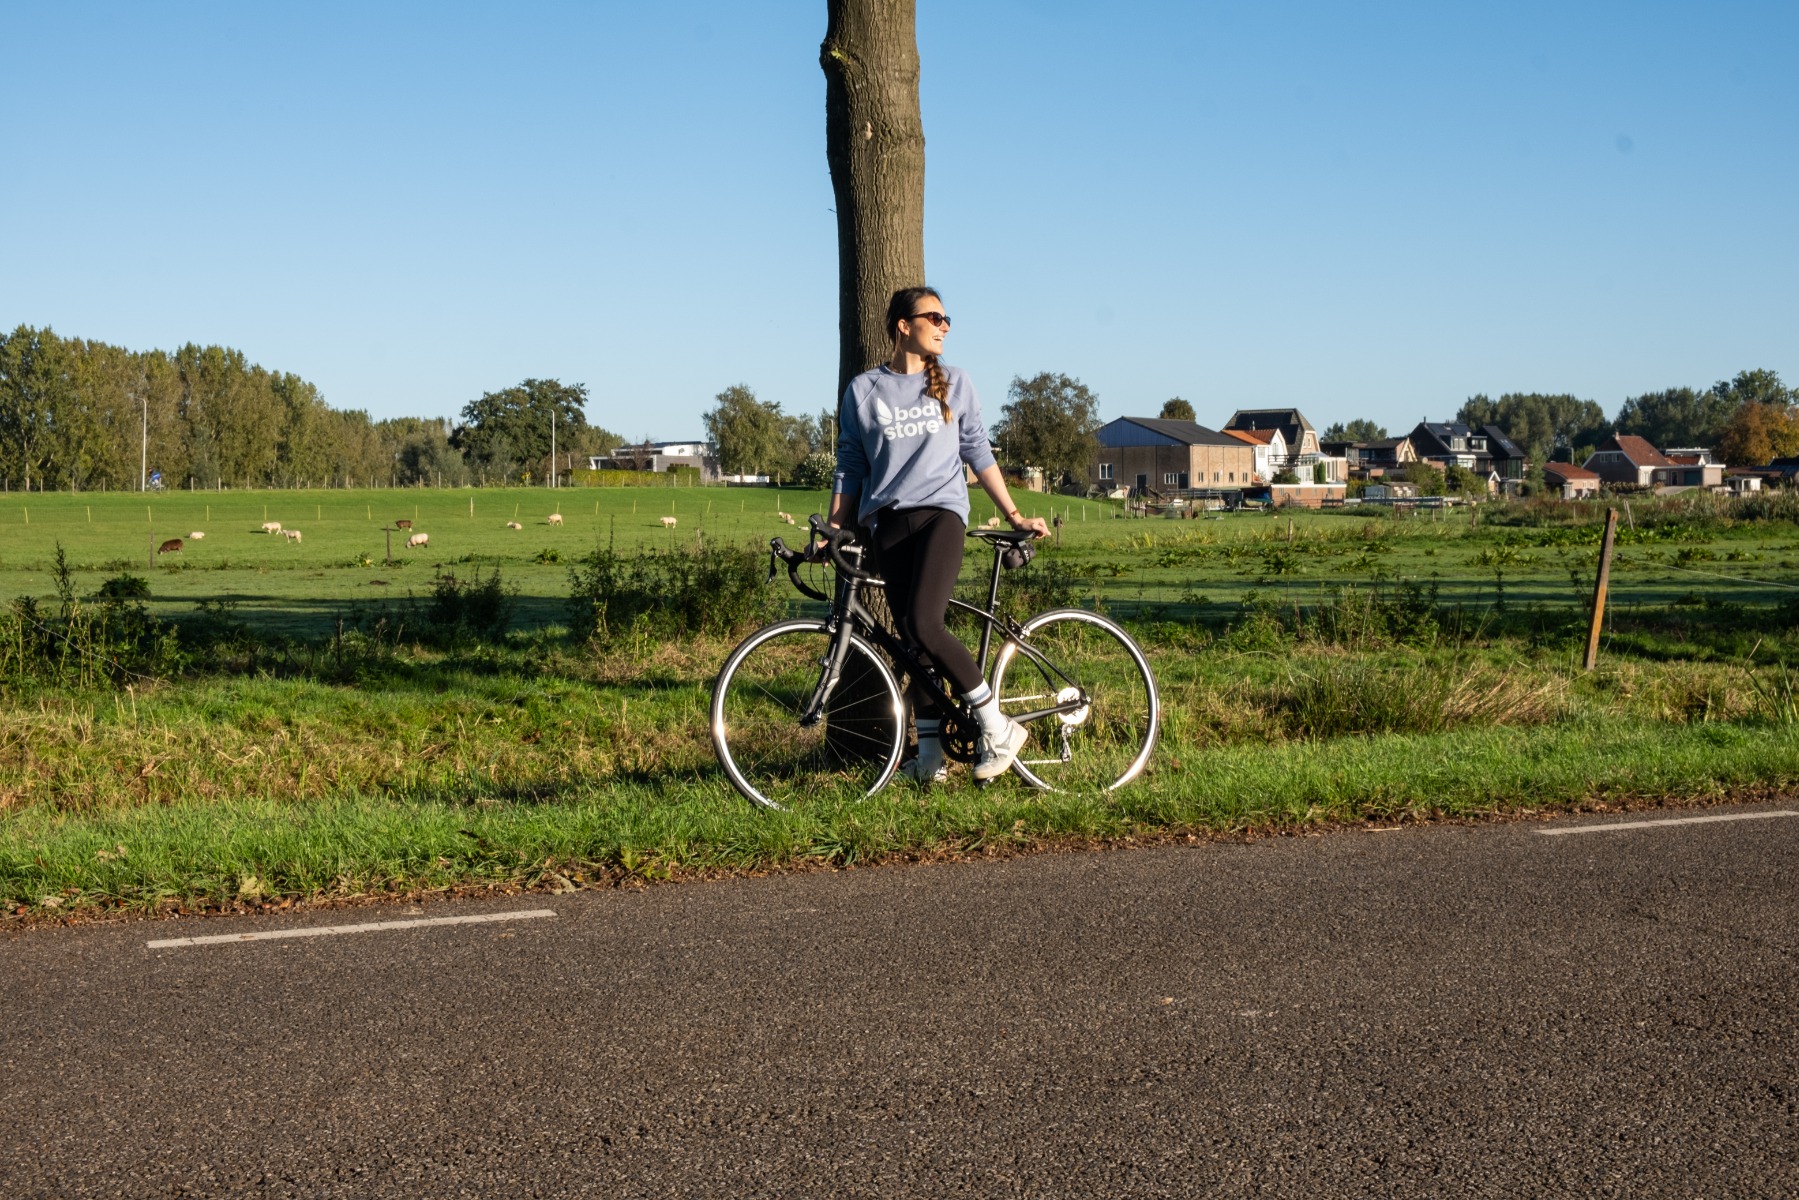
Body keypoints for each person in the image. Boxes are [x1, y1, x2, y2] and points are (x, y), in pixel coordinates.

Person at [828, 286, 1049, 784]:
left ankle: (997, 726)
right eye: (934, 317)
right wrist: (835, 528)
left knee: (926, 624)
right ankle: (930, 757)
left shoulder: (955, 381)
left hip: (940, 517)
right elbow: (851, 465)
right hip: (888, 523)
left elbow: (977, 451)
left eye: (947, 318)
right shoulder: (864, 390)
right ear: (903, 325)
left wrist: (1014, 514)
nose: (944, 325)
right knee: (912, 641)